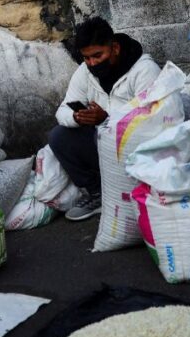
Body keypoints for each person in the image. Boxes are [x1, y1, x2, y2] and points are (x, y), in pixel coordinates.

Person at [48, 17, 160, 221]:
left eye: (97, 55)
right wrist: (77, 117)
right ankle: (98, 193)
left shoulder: (144, 70)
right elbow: (62, 110)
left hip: (138, 150)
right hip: (104, 145)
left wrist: (106, 118)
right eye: (87, 58)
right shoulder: (85, 72)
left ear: (115, 48)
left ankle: (134, 192)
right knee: (59, 136)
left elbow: (151, 121)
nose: (92, 63)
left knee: (104, 135)